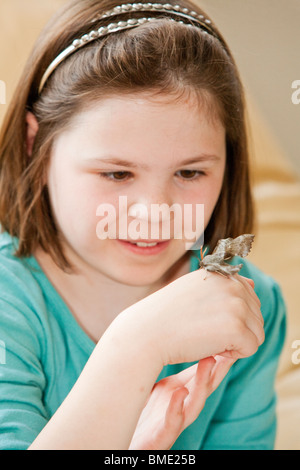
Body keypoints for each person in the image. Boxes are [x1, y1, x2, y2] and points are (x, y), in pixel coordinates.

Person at [0, 0, 286, 450]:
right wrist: (135, 348)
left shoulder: (249, 306)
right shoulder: (8, 304)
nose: (154, 212)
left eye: (190, 173)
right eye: (116, 174)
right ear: (38, 147)